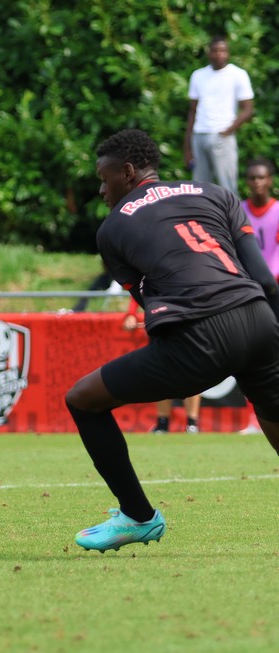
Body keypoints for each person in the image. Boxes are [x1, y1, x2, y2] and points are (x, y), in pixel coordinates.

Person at [66, 128, 279, 554]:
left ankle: (139, 517)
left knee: (82, 399)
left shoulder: (112, 229)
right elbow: (265, 280)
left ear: (128, 171)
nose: (102, 190)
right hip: (259, 321)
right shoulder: (215, 192)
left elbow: (151, 304)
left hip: (200, 336)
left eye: (105, 178)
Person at [183, 36, 255, 196]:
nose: (219, 54)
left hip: (222, 136)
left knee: (228, 187)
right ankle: (202, 221)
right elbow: (192, 111)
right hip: (199, 135)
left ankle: (234, 221)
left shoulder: (238, 74)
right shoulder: (198, 75)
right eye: (215, 50)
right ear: (209, 52)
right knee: (198, 190)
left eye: (223, 50)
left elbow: (248, 109)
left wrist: (227, 131)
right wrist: (187, 146)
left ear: (228, 53)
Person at [238, 158, 279, 434]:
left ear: (271, 180)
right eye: (252, 178)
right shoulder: (238, 211)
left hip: (275, 290)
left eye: (262, 177)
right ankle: (254, 419)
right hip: (247, 293)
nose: (257, 182)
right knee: (250, 357)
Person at [122, 298, 201, 433]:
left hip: (186, 322)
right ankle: (162, 424)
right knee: (162, 373)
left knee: (190, 373)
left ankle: (192, 424)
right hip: (160, 324)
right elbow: (139, 289)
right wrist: (131, 314)